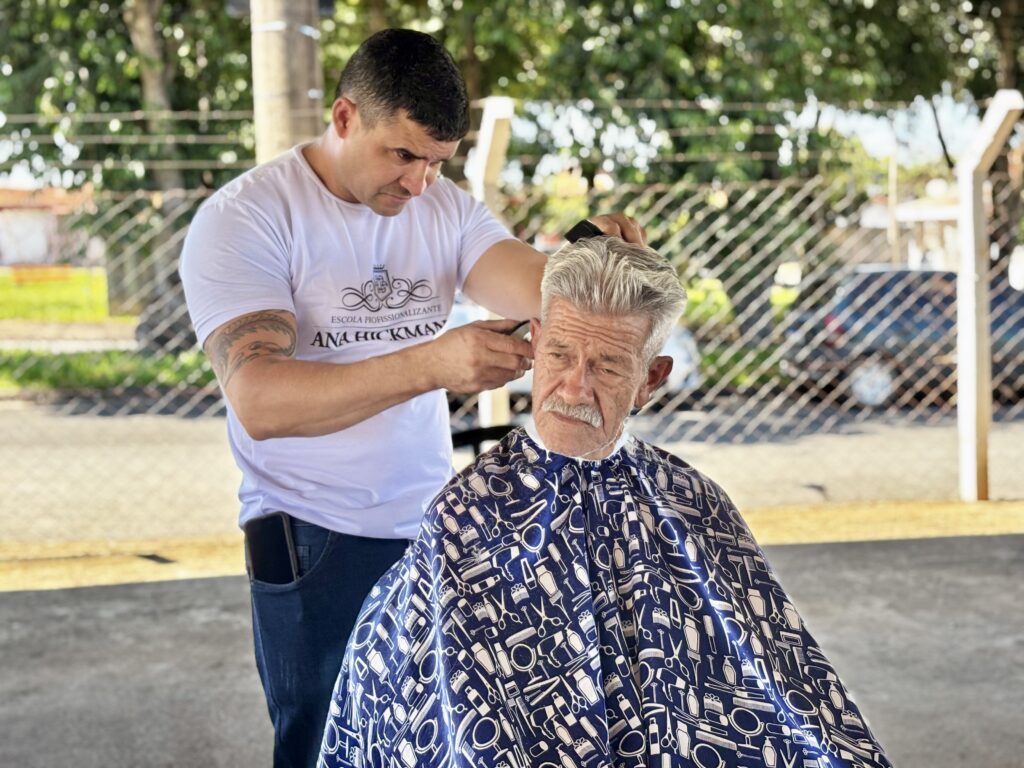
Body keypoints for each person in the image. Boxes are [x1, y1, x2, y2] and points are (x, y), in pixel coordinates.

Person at [178, 28, 644, 768]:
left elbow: (539, 289)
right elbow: (260, 401)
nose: (419, 183)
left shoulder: (442, 208)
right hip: (311, 538)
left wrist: (594, 260)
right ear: (343, 118)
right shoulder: (249, 219)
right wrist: (432, 363)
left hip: (431, 529)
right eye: (402, 154)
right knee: (328, 747)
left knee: (433, 743)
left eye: (436, 161)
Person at [318, 237, 892, 768]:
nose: (573, 387)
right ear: (535, 346)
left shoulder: (694, 505)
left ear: (651, 380)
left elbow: (788, 695)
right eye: (562, 355)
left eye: (609, 367)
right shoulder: (464, 518)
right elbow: (445, 723)